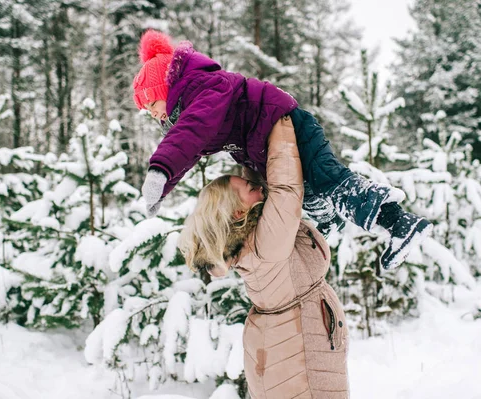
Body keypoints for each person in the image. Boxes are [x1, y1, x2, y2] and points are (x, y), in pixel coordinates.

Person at [134, 29, 431, 270]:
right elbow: (191, 146)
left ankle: (398, 222)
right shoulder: (193, 104)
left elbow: (191, 132)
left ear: (165, 88)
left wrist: (160, 168)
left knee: (330, 180)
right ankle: (329, 221)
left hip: (290, 127)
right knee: (309, 192)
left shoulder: (205, 88)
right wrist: (164, 185)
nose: (152, 113)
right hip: (269, 142)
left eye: (151, 103)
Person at [178, 116, 349, 398]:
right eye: (247, 188)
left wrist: (252, 129)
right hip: (298, 344)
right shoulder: (267, 243)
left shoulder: (249, 235)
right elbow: (286, 190)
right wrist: (279, 121)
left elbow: (261, 183)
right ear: (237, 212)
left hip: (285, 340)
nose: (254, 185)